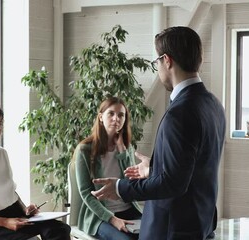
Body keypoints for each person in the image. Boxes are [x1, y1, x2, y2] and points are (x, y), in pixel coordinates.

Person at [91, 26, 227, 240]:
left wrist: (120, 187)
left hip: (172, 230)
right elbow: (193, 167)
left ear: (167, 60)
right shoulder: (214, 105)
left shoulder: (179, 113)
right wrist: (154, 168)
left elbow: (173, 184)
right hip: (201, 223)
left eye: (157, 62)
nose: (158, 68)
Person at [0, 99, 71, 240]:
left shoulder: (1, 153)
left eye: (0, 125)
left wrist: (25, 209)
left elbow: (11, 191)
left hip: (14, 213)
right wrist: (4, 222)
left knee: (59, 229)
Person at [73, 96, 143, 240]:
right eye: (111, 113)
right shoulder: (84, 150)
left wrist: (123, 152)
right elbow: (86, 193)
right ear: (100, 117)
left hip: (127, 209)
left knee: (154, 233)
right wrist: (112, 219)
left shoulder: (126, 148)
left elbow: (132, 183)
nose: (116, 118)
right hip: (100, 216)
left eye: (121, 115)